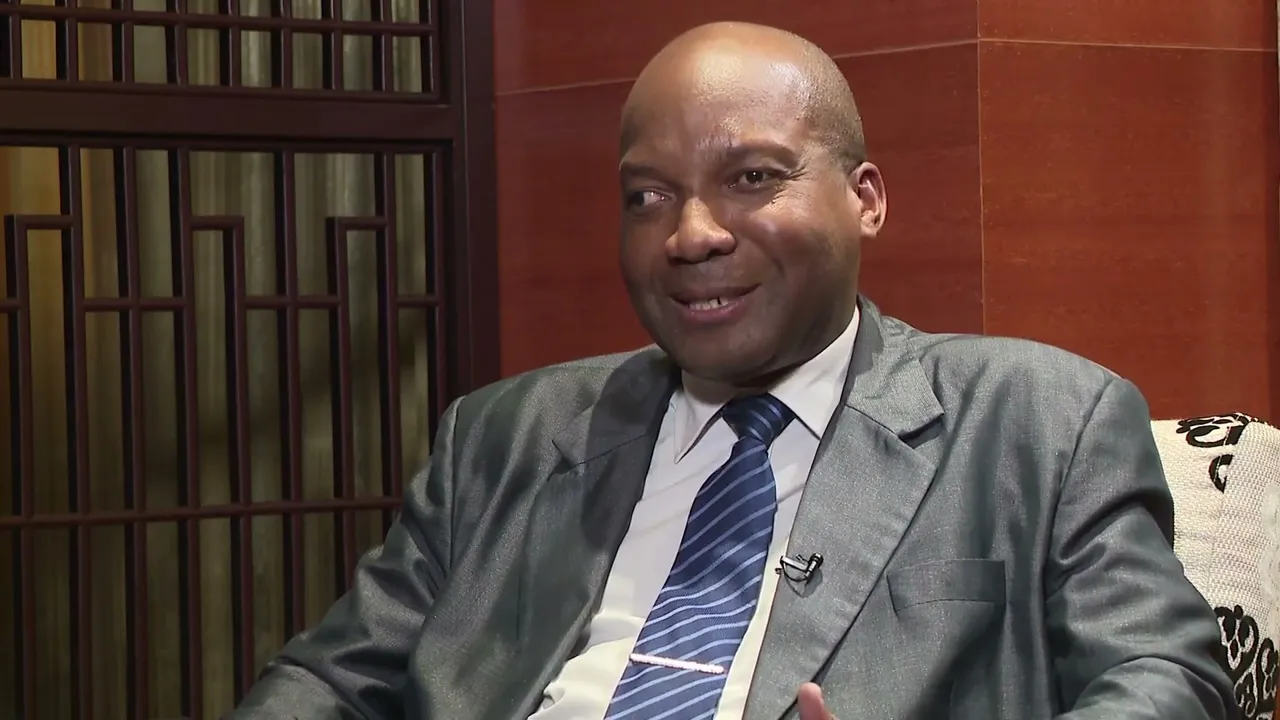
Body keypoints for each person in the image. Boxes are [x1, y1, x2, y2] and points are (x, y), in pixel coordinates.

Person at [231, 21, 1235, 720]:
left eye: (751, 178)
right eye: (647, 196)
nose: (691, 234)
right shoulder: (504, 437)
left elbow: (1168, 681)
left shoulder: (1040, 419)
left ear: (866, 199)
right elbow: (329, 683)